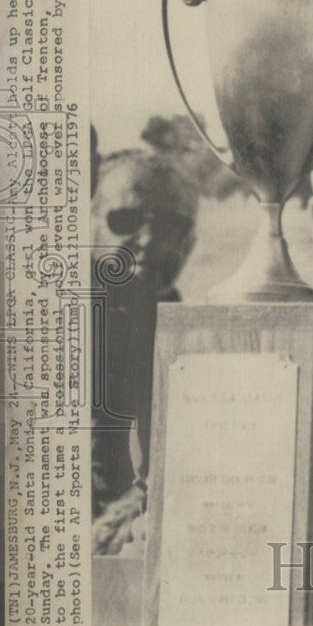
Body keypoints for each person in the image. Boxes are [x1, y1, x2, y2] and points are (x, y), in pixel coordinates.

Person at [91, 150, 198, 554]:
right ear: (88, 221)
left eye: (174, 226)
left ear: (191, 241)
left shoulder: (194, 345)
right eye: (126, 221)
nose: (151, 241)